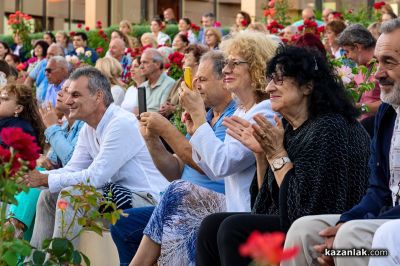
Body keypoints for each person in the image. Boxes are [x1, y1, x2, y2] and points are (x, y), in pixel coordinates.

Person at [196, 45, 371, 266]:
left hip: (325, 226)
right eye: (270, 79)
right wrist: (261, 154)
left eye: (279, 79)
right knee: (212, 225)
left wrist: (277, 154)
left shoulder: (329, 127)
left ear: (307, 85)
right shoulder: (290, 128)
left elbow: (304, 211)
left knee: (234, 229)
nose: (269, 88)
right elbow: (264, 204)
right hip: (297, 219)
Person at [282, 18, 400, 266]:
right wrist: (345, 220)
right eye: (377, 61)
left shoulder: (330, 127)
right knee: (304, 231)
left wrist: (352, 226)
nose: (377, 73)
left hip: (390, 229)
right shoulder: (388, 113)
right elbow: (378, 190)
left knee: (350, 239)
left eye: (388, 62)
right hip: (384, 219)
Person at [25, 67, 169, 250]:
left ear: (98, 96)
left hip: (147, 200)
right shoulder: (88, 127)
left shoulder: (120, 123)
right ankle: (37, 261)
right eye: (68, 94)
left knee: (72, 197)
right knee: (48, 195)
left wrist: (46, 178)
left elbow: (95, 177)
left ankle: (60, 261)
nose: (68, 101)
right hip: (119, 193)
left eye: (75, 95)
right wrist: (36, 177)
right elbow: (73, 168)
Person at [114, 50, 235, 266]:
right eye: (196, 79)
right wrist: (152, 139)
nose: (196, 86)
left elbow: (208, 165)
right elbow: (175, 170)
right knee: (123, 224)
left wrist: (168, 129)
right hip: (179, 199)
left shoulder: (233, 118)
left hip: (209, 204)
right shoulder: (206, 115)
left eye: (203, 80)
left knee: (177, 192)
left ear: (225, 81)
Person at [1, 83, 45, 240]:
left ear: (18, 109)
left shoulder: (19, 128)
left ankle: (12, 228)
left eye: (4, 99)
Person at [338, 24, 381, 133]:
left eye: (347, 51)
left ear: (357, 47)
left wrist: (360, 107)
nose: (347, 56)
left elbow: (390, 103)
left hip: (378, 128)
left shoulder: (380, 65)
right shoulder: (362, 66)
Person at [40, 79, 85, 169]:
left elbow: (72, 163)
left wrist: (52, 127)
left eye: (67, 90)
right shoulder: (65, 125)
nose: (59, 93)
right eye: (61, 89)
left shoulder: (85, 125)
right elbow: (52, 162)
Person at [160, 44, 209, 118]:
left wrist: (173, 109)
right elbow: (169, 98)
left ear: (197, 60)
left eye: (186, 57)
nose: (182, 60)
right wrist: (165, 107)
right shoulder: (180, 80)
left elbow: (201, 107)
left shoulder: (202, 83)